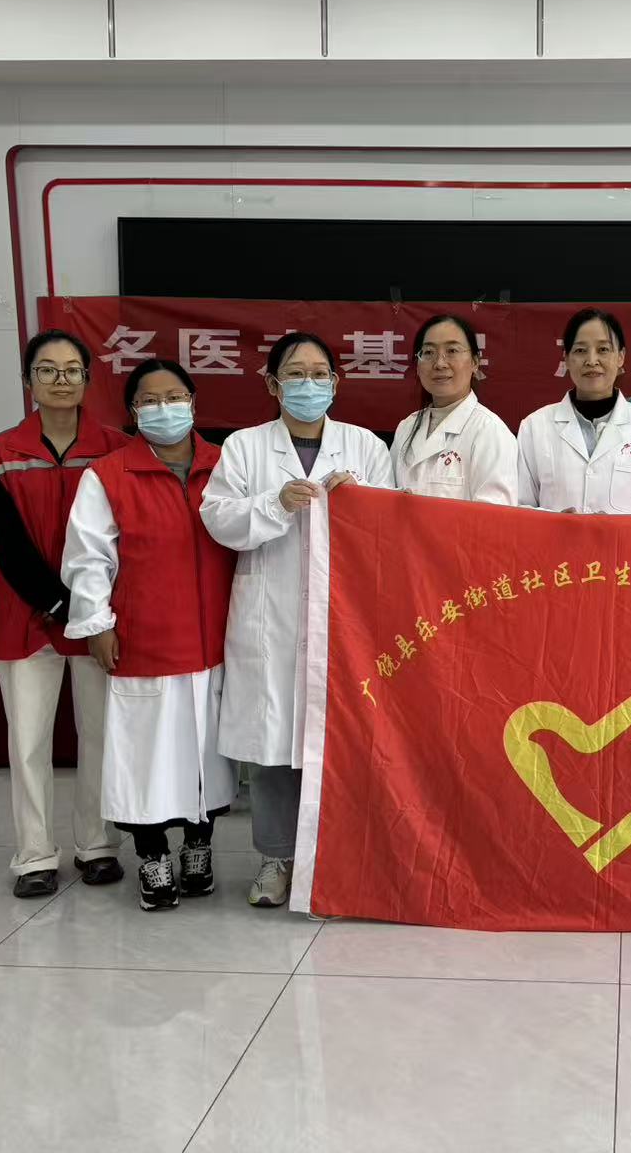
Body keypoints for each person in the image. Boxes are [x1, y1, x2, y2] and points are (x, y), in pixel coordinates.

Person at [200, 332, 392, 908]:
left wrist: (360, 501)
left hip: (344, 618)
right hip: (271, 618)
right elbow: (218, 519)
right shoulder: (244, 447)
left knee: (340, 744)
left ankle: (336, 859)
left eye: (319, 374)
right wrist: (275, 504)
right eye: (296, 373)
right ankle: (276, 860)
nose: (309, 384)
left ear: (336, 382)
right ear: (272, 383)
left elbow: (393, 526)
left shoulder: (364, 446)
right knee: (273, 748)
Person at [61, 359, 239, 911]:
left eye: (175, 397)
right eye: (150, 400)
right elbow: (89, 557)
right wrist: (97, 624)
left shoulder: (226, 464)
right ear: (133, 411)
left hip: (216, 641)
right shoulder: (110, 474)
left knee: (209, 757)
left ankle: (198, 848)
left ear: (194, 402)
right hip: (146, 641)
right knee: (146, 760)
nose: (165, 409)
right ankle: (153, 856)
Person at [0, 329, 128, 899]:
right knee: (28, 742)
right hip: (26, 615)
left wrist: (89, 610)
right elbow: (6, 542)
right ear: (28, 381)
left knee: (101, 735)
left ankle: (97, 845)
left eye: (72, 369)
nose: (60, 379)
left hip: (98, 618)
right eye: (47, 369)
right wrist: (58, 603)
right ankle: (35, 855)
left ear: (88, 379)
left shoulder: (117, 448)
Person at [517, 308, 631, 514]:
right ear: (567, 358)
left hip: (622, 538)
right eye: (580, 350)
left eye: (603, 349)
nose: (591, 360)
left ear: (621, 357)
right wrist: (555, 523)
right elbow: (520, 507)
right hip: (553, 537)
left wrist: (616, 528)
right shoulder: (534, 427)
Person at [390, 313, 518, 504]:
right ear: (417, 365)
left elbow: (494, 516)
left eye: (452, 351)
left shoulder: (489, 431)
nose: (439, 363)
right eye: (428, 352)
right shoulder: (407, 427)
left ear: (475, 362)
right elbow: (384, 495)